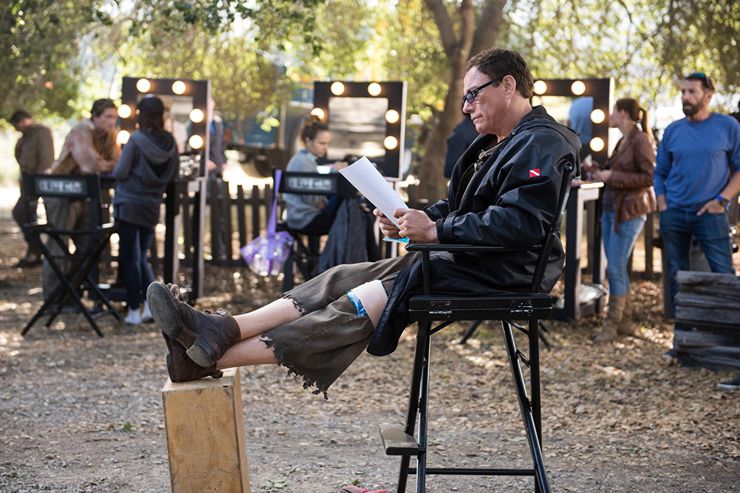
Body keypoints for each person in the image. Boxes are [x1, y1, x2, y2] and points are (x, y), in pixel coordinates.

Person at [146, 49, 581, 398]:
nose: (467, 106)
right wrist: (417, 219)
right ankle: (223, 330)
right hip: (467, 260)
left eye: (474, 94)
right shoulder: (498, 144)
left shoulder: (542, 141)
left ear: (508, 85)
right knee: (341, 277)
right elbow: (462, 207)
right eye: (465, 96)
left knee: (362, 299)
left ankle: (212, 356)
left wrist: (437, 231)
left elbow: (521, 224)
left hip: (502, 274)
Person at [654, 73, 740, 327]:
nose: (686, 97)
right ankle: (683, 338)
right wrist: (662, 202)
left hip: (711, 214)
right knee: (676, 276)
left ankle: (730, 335)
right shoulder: (673, 130)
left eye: (692, 92)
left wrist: (721, 200)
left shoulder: (728, 127)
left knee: (723, 273)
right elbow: (660, 171)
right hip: (675, 213)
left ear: (708, 95)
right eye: (683, 92)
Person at [589, 98, 656, 342]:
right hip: (613, 209)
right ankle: (625, 320)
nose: (611, 115)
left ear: (624, 113)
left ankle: (612, 323)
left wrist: (611, 175)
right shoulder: (624, 140)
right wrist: (600, 170)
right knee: (617, 267)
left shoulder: (641, 140)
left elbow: (648, 177)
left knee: (615, 268)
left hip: (629, 211)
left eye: (614, 111)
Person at [42, 99, 120, 303]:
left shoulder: (111, 134)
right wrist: (106, 164)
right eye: (107, 117)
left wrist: (106, 164)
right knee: (58, 245)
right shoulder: (82, 130)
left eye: (114, 117)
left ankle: (70, 292)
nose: (112, 121)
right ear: (95, 116)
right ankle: (53, 298)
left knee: (90, 244)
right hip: (61, 190)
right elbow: (90, 164)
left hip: (87, 193)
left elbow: (117, 163)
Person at [112, 96, 180, 325]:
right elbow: (173, 175)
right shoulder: (170, 143)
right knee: (141, 256)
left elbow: (120, 172)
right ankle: (152, 307)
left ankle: (133, 309)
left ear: (141, 114)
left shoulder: (136, 140)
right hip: (151, 204)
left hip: (130, 202)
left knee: (131, 257)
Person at [283, 116, 347, 233]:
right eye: (322, 143)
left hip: (301, 217)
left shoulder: (303, 159)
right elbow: (315, 201)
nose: (325, 148)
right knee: (347, 221)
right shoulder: (302, 162)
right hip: (303, 219)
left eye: (327, 144)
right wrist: (335, 173)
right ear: (308, 141)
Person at [8, 109, 55, 267]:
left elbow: (46, 159)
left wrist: (41, 181)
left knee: (21, 212)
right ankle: (34, 251)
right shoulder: (25, 137)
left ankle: (40, 251)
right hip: (28, 180)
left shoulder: (41, 133)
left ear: (22, 121)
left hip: (38, 180)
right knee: (27, 215)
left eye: (17, 126)